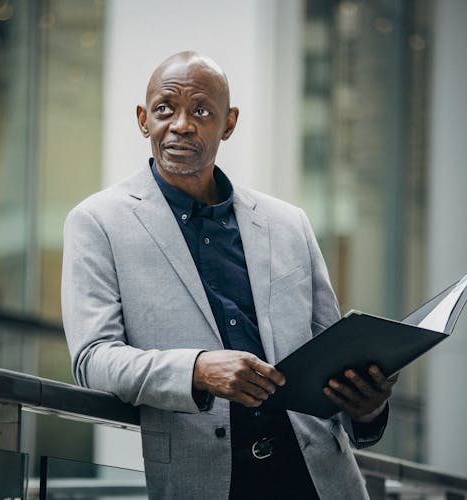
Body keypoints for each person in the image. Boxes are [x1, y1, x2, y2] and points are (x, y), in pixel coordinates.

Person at [61, 51, 398, 499]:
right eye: (165, 109)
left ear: (228, 123)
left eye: (201, 110)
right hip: (206, 480)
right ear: (143, 119)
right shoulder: (97, 222)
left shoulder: (288, 223)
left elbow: (327, 356)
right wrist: (196, 369)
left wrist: (368, 407)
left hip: (319, 480)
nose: (181, 124)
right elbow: (93, 359)